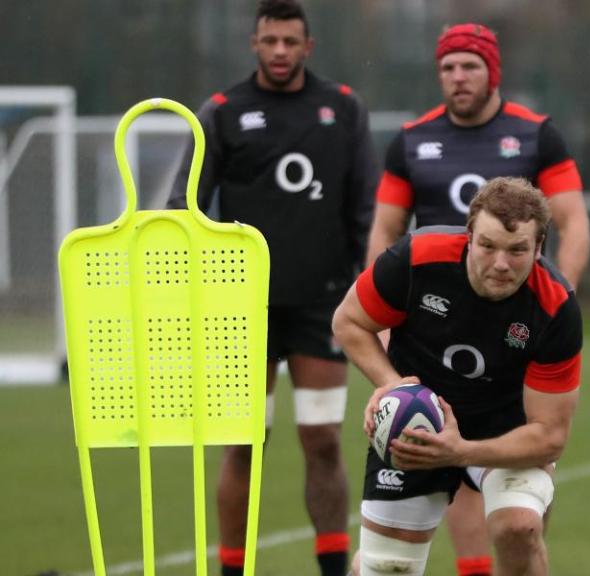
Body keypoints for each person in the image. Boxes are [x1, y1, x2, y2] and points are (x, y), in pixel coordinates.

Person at [364, 23, 590, 576]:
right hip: (432, 325)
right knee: (410, 523)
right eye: (448, 67)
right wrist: (390, 348)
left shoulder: (537, 135)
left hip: (514, 337)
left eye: (469, 65)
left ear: (493, 71)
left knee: (514, 516)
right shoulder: (411, 140)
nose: (458, 77)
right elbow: (383, 233)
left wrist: (553, 307)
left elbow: (573, 222)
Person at [167, 1, 377, 574]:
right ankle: (233, 568)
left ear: (308, 47)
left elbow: (367, 210)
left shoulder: (343, 108)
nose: (280, 51)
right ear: (253, 45)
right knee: (243, 443)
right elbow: (181, 210)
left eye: (290, 41)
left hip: (322, 306)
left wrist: (368, 291)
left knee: (323, 439)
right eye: (270, 41)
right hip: (242, 310)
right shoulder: (221, 112)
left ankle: (333, 567)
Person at [333, 177, 583, 576]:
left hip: (505, 429)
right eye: (487, 246)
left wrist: (461, 451)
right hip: (418, 425)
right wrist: (393, 385)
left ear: (538, 248)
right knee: (388, 567)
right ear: (469, 236)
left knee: (519, 527)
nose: (501, 264)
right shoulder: (416, 258)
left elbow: (550, 436)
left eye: (517, 250)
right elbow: (348, 322)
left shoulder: (555, 306)